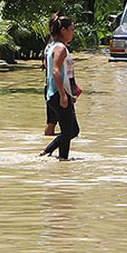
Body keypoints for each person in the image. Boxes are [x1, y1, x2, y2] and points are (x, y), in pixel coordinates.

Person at [40, 14, 81, 160]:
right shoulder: (60, 48)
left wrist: (73, 91)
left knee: (73, 130)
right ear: (63, 30)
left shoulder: (51, 46)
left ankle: (46, 152)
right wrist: (63, 95)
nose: (73, 32)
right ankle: (63, 160)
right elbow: (56, 71)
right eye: (71, 29)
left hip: (58, 92)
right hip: (58, 94)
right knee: (67, 131)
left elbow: (64, 72)